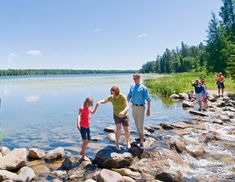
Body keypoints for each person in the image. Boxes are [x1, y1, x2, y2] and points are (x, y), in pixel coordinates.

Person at [97, 85, 130, 150]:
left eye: (114, 93)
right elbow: (105, 101)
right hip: (116, 115)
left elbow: (127, 106)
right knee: (118, 128)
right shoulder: (111, 97)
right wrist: (100, 102)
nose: (113, 95)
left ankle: (127, 142)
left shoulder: (123, 97)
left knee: (126, 129)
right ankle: (117, 144)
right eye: (112, 93)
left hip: (125, 115)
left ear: (117, 92)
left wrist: (123, 112)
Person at [127, 73, 151, 148]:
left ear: (139, 78)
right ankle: (140, 136)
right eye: (133, 78)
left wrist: (148, 110)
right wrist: (126, 105)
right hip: (133, 107)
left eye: (136, 78)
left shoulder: (144, 88)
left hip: (141, 108)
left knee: (140, 125)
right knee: (136, 124)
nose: (134, 80)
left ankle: (141, 142)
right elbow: (129, 96)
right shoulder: (132, 87)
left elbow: (148, 99)